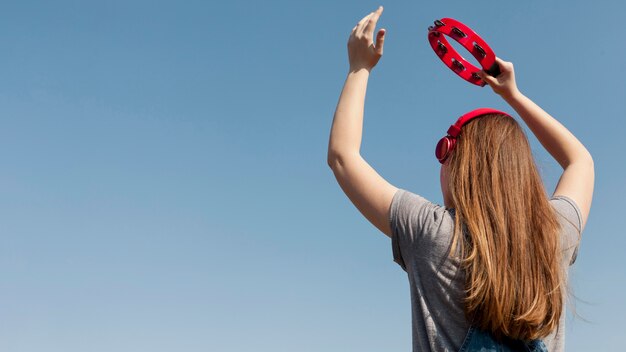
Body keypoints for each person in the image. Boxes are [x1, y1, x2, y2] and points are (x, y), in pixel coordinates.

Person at [327, 7, 594, 352]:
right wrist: (514, 95)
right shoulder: (556, 234)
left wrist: (359, 67)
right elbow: (580, 160)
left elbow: (342, 157)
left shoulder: (433, 232)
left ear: (458, 160)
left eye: (443, 152)